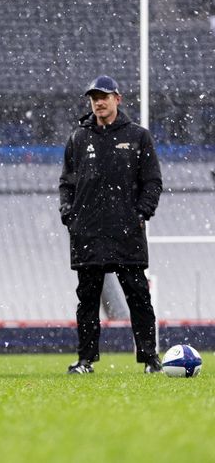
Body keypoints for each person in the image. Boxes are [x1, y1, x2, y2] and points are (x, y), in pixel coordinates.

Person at [59, 75, 164, 374]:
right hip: (88, 233)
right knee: (87, 300)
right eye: (94, 98)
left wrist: (141, 214)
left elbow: (152, 181)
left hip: (126, 232)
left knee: (139, 296)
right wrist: (69, 215)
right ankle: (85, 360)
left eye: (104, 96)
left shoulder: (138, 137)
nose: (98, 102)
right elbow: (66, 183)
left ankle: (149, 359)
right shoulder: (78, 138)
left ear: (118, 98)